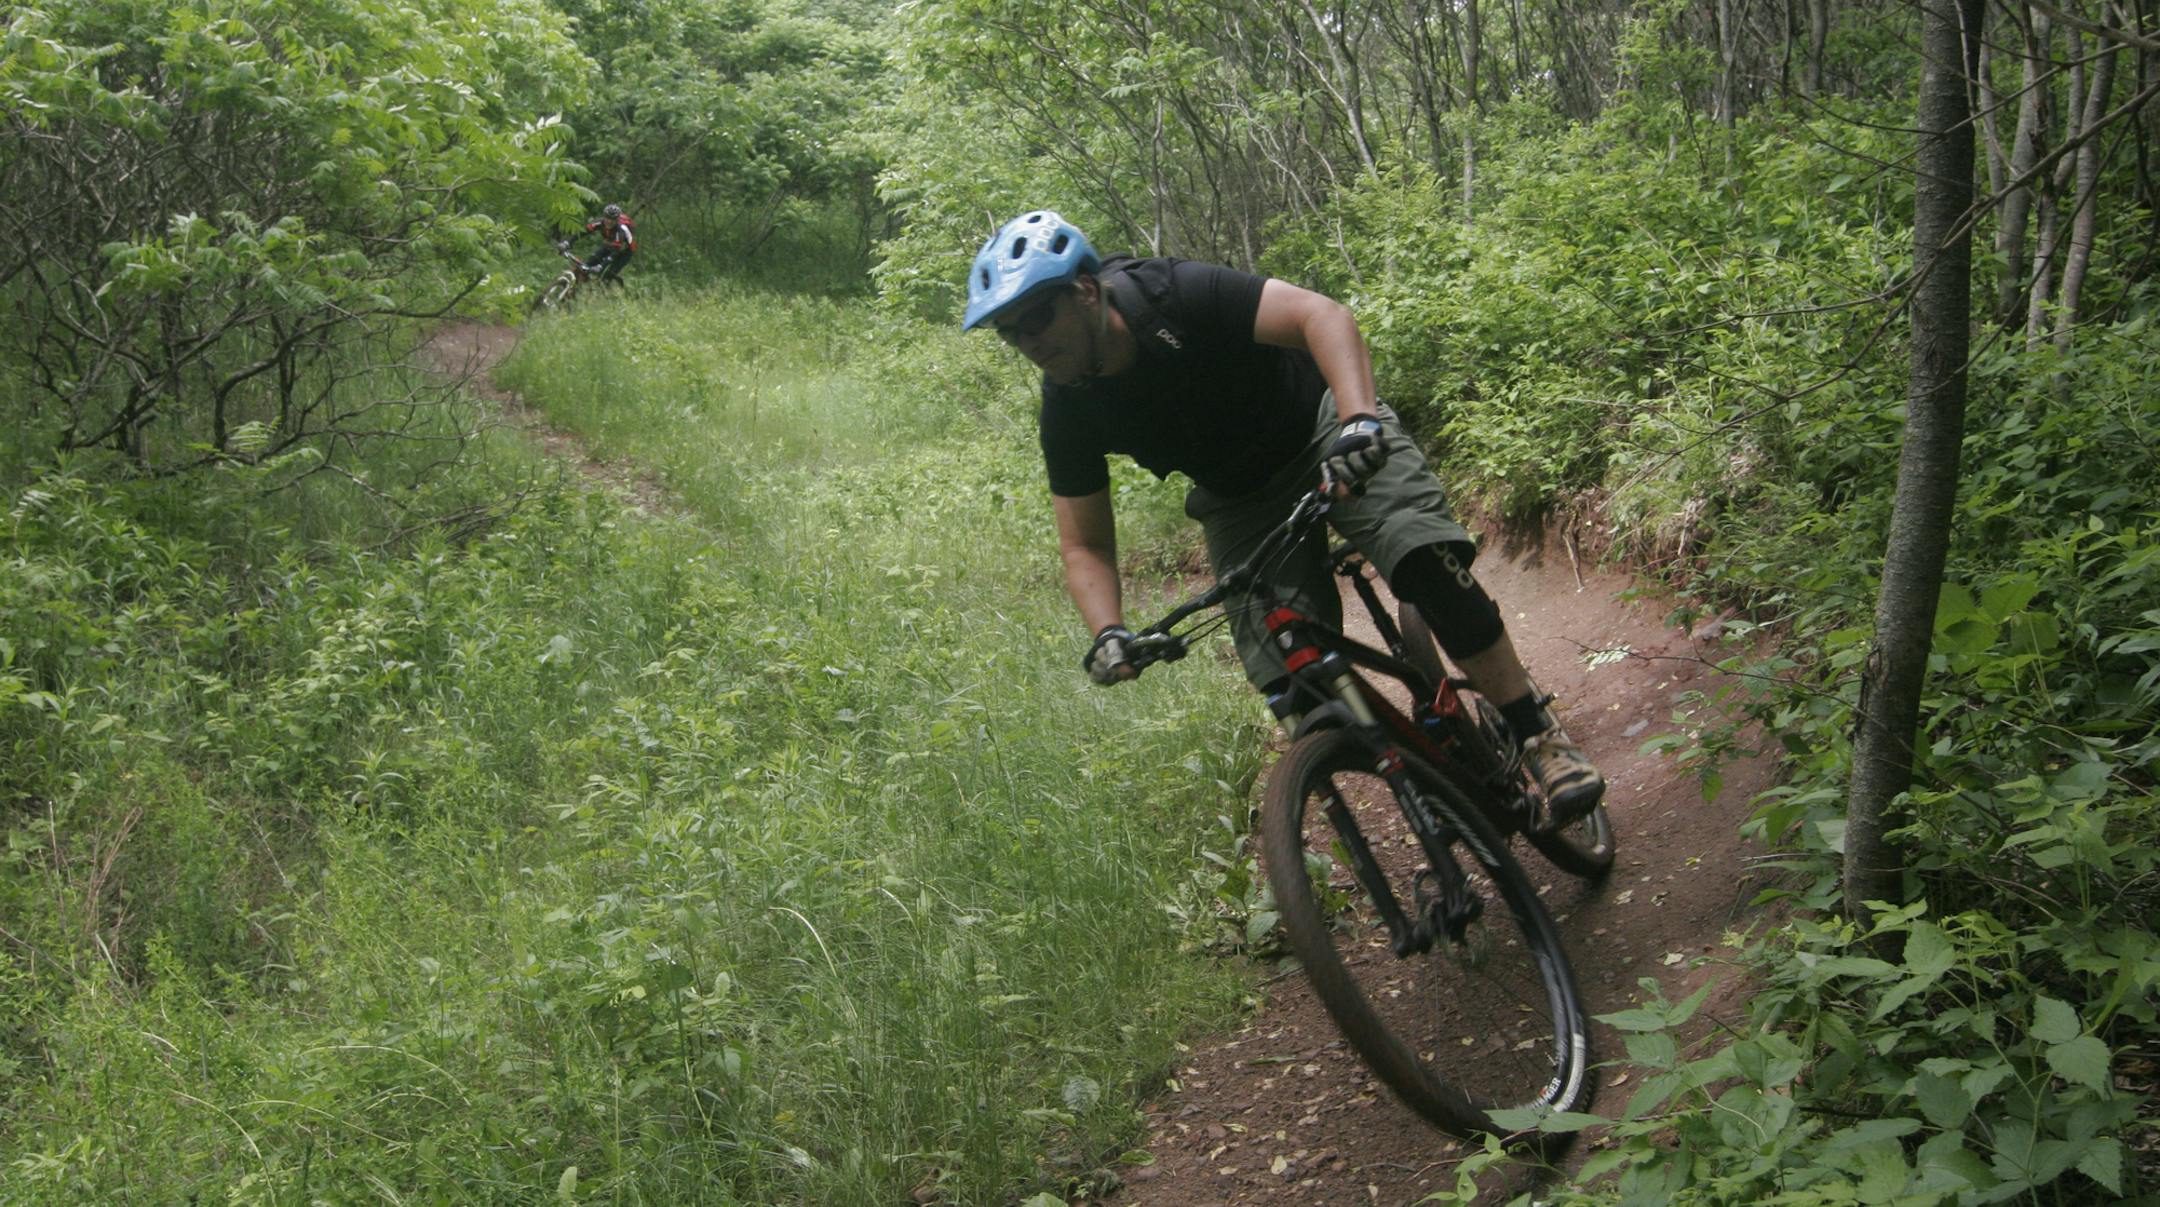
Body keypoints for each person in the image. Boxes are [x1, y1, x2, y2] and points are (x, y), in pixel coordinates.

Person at [962, 209, 1606, 825]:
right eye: (1008, 331)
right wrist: (1109, 631)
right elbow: (1085, 546)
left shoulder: (1172, 296)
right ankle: (1428, 812)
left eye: (1036, 316)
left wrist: (1358, 420)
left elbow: (1319, 315)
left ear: (1082, 292)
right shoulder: (1068, 409)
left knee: (1419, 557)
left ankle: (1537, 736)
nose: (1027, 340)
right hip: (1237, 495)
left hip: (1323, 423)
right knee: (1291, 687)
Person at [582, 203, 636, 284]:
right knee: (587, 264)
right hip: (610, 245)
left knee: (606, 277)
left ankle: (606, 291)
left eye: (612, 219)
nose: (609, 221)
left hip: (625, 251)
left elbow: (614, 253)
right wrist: (567, 242)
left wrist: (601, 266)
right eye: (607, 218)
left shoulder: (621, 230)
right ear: (604, 217)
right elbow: (583, 232)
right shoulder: (600, 222)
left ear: (617, 220)